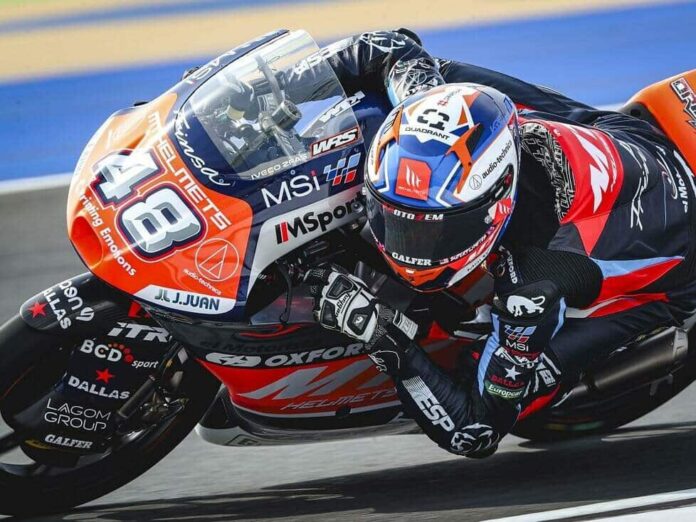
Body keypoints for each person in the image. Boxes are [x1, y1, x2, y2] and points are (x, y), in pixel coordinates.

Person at [302, 29, 696, 457]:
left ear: (495, 204)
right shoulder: (448, 104)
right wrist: (275, 87)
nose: (406, 244)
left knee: (502, 376)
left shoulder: (533, 285)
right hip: (630, 136)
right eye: (392, 216)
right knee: (437, 81)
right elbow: (390, 47)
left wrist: (380, 333)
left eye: (436, 231)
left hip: (667, 269)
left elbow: (475, 431)